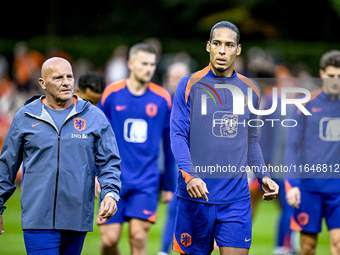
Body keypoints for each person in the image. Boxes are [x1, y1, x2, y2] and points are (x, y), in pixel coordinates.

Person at [170, 21, 279, 255]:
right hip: (195, 194)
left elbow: (251, 140)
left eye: (229, 45)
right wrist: (190, 176)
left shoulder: (251, 89)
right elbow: (178, 135)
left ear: (238, 50)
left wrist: (263, 176)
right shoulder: (188, 85)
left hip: (235, 199)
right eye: (217, 44)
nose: (222, 50)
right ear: (208, 46)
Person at [0, 57, 121, 255]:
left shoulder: (94, 117)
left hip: (77, 217)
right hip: (37, 216)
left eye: (69, 76)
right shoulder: (25, 116)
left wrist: (110, 193)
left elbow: (110, 161)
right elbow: (6, 166)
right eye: (58, 78)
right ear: (42, 83)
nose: (66, 82)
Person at [98, 43, 176, 255]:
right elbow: (94, 137)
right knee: (109, 239)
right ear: (131, 64)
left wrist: (170, 183)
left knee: (138, 237)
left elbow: (170, 145)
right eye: (144, 64)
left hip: (146, 180)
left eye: (152, 64)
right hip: (113, 179)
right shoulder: (111, 93)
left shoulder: (163, 98)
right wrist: (95, 175)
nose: (149, 69)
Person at [285, 50, 340, 255]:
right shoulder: (304, 106)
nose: (336, 81)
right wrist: (291, 185)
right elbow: (292, 148)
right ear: (322, 74)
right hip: (309, 187)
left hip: (338, 187)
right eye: (331, 76)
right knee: (307, 247)